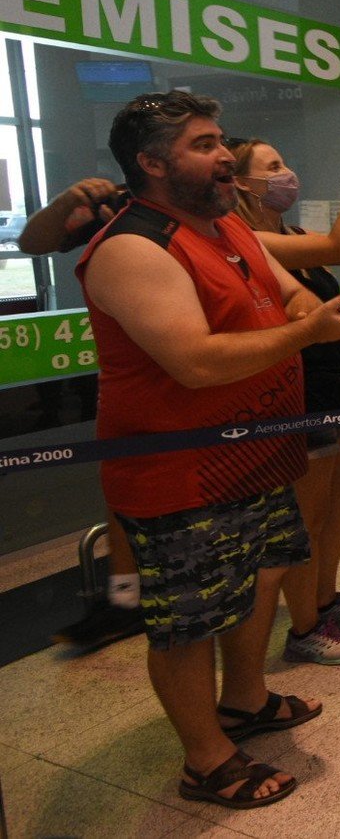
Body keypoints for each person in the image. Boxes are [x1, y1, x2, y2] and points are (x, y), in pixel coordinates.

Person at [80, 91, 340, 809]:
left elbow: (294, 297)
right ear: (151, 162)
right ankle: (205, 758)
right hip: (182, 473)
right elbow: (198, 361)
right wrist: (308, 331)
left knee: (261, 579)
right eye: (203, 144)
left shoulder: (228, 229)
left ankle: (244, 700)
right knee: (187, 620)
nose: (223, 156)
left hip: (258, 455)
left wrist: (311, 317)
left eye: (219, 142)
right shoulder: (133, 246)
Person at [227, 133, 340, 665]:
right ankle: (304, 626)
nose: (287, 173)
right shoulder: (247, 240)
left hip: (329, 385)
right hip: (292, 393)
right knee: (305, 515)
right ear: (242, 183)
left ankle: (324, 598)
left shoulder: (292, 233)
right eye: (273, 165)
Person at [20, 176, 143, 652]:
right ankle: (126, 599)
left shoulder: (209, 212)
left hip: (198, 373)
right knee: (124, 492)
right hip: (130, 377)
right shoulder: (118, 203)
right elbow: (35, 241)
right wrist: (66, 202)